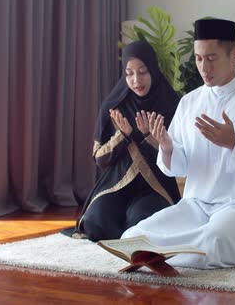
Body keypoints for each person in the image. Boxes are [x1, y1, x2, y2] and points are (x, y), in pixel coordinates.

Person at [121, 18, 235, 269]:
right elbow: (177, 168)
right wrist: (168, 147)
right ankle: (161, 251)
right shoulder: (189, 102)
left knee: (213, 241)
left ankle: (160, 253)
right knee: (132, 236)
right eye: (199, 59)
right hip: (197, 206)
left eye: (211, 58)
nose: (204, 67)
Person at [69, 40, 182, 242]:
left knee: (140, 222)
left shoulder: (172, 104)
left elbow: (179, 158)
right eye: (129, 73)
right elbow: (100, 159)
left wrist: (150, 137)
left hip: (154, 188)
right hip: (116, 184)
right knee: (96, 223)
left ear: (153, 70)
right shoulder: (113, 106)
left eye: (143, 71)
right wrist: (123, 135)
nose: (136, 80)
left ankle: (130, 237)